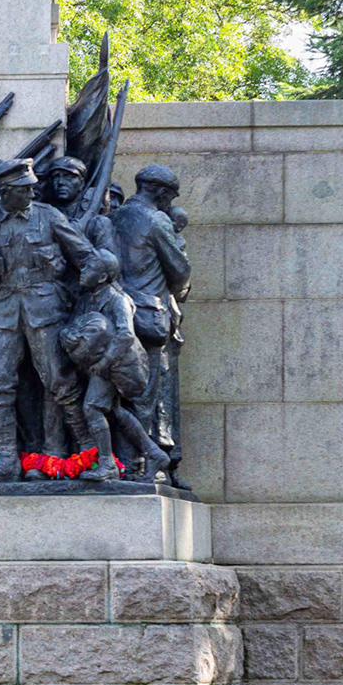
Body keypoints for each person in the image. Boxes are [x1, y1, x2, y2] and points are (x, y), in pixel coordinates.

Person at [0, 159, 98, 481]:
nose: (32, 192)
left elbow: (85, 256)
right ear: (5, 192)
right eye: (24, 189)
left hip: (44, 308)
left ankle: (85, 452)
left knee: (58, 381)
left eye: (32, 187)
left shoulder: (49, 216)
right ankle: (6, 460)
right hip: (3, 308)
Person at [109, 164, 193, 479]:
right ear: (159, 191)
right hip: (149, 317)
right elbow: (179, 270)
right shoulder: (156, 219)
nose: (171, 202)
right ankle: (137, 465)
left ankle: (124, 461)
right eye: (170, 195)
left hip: (116, 314)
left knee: (118, 395)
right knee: (144, 395)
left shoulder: (113, 217)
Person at [62, 250, 168, 483]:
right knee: (116, 411)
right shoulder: (89, 298)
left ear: (102, 277)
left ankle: (107, 464)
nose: (83, 271)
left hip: (121, 364)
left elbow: (126, 335)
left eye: (89, 268)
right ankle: (154, 453)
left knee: (92, 407)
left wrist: (104, 363)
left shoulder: (116, 298)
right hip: (104, 364)